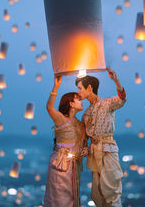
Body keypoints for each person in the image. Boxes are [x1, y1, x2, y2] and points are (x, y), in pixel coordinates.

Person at [76, 68, 126, 207]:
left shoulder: (107, 103)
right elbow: (85, 136)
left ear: (89, 88)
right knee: (97, 193)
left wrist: (116, 80)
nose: (78, 92)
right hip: (93, 152)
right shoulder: (85, 113)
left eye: (80, 88)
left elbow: (122, 99)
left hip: (107, 149)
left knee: (111, 189)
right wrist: (85, 148)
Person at [44, 76, 88, 207]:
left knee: (72, 198)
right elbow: (49, 108)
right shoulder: (62, 119)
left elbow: (84, 143)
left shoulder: (80, 124)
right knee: (59, 199)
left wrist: (86, 149)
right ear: (71, 103)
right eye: (78, 99)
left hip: (74, 166)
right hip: (60, 164)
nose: (82, 101)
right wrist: (56, 87)